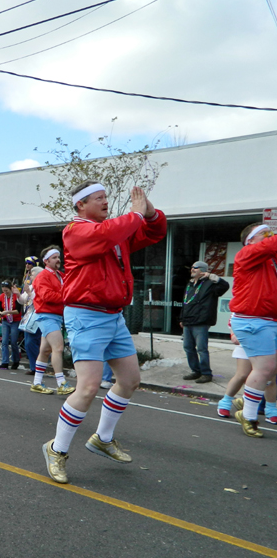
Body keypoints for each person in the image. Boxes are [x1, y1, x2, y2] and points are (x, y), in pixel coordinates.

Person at [42, 182, 166, 484]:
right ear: (81, 205)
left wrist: (150, 214)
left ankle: (103, 438)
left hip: (113, 316)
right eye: (100, 198)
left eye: (106, 198)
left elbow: (154, 233)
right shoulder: (76, 231)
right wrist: (136, 216)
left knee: (129, 381)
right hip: (86, 316)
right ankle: (56, 450)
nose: (106, 202)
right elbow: (107, 233)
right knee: (87, 388)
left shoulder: (112, 232)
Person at [228, 223, 277, 438]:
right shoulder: (246, 254)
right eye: (263, 234)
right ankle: (248, 416)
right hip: (253, 320)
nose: (269, 236)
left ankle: (249, 400)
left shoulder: (270, 262)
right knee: (265, 368)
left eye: (270, 233)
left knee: (271, 371)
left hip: (269, 320)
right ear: (250, 241)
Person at [30, 246, 75, 395]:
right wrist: (66, 297)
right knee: (58, 348)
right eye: (54, 257)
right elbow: (47, 296)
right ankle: (61, 383)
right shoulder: (43, 276)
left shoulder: (60, 275)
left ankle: (36, 383)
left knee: (45, 350)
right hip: (46, 315)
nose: (58, 260)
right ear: (46, 260)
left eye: (58, 257)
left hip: (55, 316)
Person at [180, 260, 229, 384]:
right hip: (188, 321)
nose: (192, 269)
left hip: (201, 321)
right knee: (188, 347)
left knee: (201, 348)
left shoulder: (210, 284)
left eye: (195, 267)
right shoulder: (190, 284)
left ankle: (206, 373)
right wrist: (182, 318)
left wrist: (215, 278)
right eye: (191, 267)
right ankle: (196, 371)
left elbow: (225, 286)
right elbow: (185, 303)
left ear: (202, 270)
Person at [20, 256, 41, 375]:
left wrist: (28, 292)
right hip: (28, 316)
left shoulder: (40, 285)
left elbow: (39, 300)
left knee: (32, 342)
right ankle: (34, 367)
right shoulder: (30, 282)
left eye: (29, 264)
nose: (27, 266)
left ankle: (39, 365)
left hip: (37, 315)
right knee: (28, 342)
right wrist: (18, 295)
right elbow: (23, 300)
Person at [0, 280, 22, 370]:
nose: (5, 293)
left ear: (11, 289)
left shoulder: (16, 297)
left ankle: (16, 361)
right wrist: (0, 313)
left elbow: (18, 311)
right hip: (5, 321)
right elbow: (0, 309)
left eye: (7, 291)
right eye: (3, 291)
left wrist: (7, 312)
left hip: (15, 320)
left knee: (14, 341)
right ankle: (5, 362)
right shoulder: (1, 297)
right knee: (4, 342)